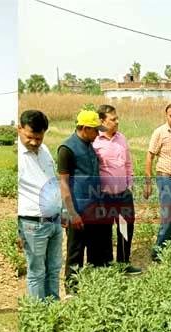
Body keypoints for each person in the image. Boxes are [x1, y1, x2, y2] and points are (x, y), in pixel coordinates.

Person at [58, 109, 109, 294]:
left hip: (94, 208)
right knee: (75, 254)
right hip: (78, 210)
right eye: (95, 130)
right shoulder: (67, 149)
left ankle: (92, 289)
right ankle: (72, 291)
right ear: (85, 128)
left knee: (96, 252)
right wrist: (71, 213)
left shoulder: (89, 145)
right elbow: (63, 183)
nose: (98, 134)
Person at [17, 110, 62, 301]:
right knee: (36, 272)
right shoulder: (17, 157)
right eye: (30, 137)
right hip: (32, 223)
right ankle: (38, 315)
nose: (35, 142)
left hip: (54, 221)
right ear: (19, 129)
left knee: (53, 269)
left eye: (39, 137)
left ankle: (52, 308)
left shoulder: (44, 151)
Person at [92, 105, 141, 274]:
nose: (117, 121)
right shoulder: (95, 141)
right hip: (104, 195)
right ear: (102, 121)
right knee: (104, 231)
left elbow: (128, 163)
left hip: (123, 194)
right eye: (113, 119)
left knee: (126, 228)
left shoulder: (122, 138)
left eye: (117, 118)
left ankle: (123, 263)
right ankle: (106, 265)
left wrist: (129, 185)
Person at [144, 103, 171, 262]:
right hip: (166, 178)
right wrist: (148, 182)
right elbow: (150, 156)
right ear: (166, 116)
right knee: (168, 217)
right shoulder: (160, 132)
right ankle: (158, 252)